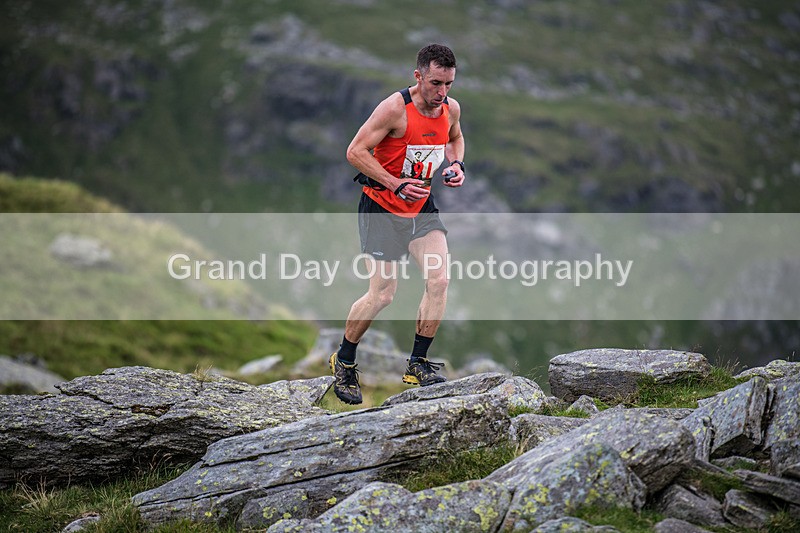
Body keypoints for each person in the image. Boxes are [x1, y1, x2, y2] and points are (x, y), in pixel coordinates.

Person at [329, 43, 466, 404]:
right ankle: (344, 361)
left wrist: (456, 165)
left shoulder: (450, 108)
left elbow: (455, 138)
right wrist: (394, 183)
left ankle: (417, 363)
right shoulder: (394, 109)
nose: (442, 93)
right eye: (435, 83)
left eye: (449, 84)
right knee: (383, 294)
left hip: (422, 208)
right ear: (418, 76)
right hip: (381, 208)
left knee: (440, 279)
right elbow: (355, 152)